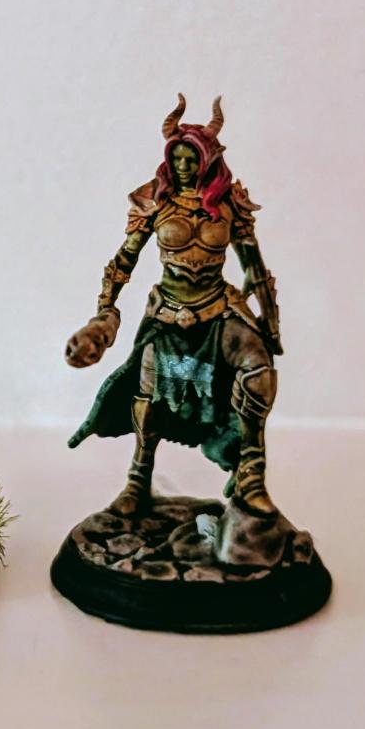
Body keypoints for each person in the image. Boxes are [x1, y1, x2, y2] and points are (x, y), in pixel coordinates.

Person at [65, 96, 282, 516]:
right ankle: (137, 479)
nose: (183, 165)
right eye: (177, 157)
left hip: (219, 310)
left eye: (191, 158)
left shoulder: (229, 203)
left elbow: (254, 265)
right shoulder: (156, 200)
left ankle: (252, 476)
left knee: (258, 371)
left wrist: (270, 325)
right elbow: (123, 260)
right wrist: (104, 314)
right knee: (149, 396)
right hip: (168, 313)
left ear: (207, 158)